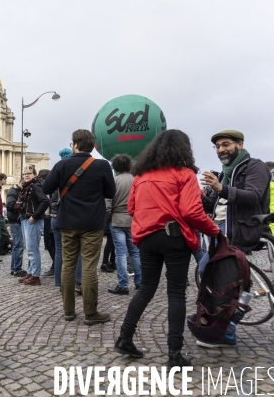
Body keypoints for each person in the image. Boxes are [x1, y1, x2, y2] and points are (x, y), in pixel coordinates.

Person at [113, 129, 219, 367]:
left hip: (146, 237)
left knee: (146, 289)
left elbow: (131, 208)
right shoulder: (184, 174)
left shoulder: (141, 176)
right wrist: (215, 231)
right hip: (174, 237)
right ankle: (174, 353)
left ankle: (124, 338)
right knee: (176, 293)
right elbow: (192, 211)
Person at [43, 130, 115, 325]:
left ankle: (68, 311)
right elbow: (110, 192)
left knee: (68, 265)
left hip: (67, 222)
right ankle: (90, 313)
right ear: (92, 146)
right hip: (93, 223)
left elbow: (46, 189)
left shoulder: (62, 165)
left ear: (74, 145)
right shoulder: (102, 165)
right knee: (89, 266)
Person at [200, 130, 271, 253]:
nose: (221, 149)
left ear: (240, 145)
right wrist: (194, 193)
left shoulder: (255, 166)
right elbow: (212, 205)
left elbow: (254, 196)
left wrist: (222, 188)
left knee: (224, 270)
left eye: (226, 144)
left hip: (239, 231)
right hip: (218, 229)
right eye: (217, 146)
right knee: (206, 269)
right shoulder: (225, 173)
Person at [46, 148, 84, 291]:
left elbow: (48, 194)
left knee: (59, 250)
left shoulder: (57, 172)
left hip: (55, 217)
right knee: (77, 249)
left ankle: (59, 282)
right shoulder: (74, 174)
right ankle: (77, 281)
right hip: (69, 217)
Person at [107, 154, 142, 295]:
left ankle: (123, 284)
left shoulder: (114, 181)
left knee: (120, 254)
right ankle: (140, 282)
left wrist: (107, 218)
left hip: (116, 220)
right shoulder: (136, 181)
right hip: (133, 220)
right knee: (135, 252)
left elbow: (108, 203)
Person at [18, 166, 49, 286]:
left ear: (34, 174)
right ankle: (31, 272)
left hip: (33, 220)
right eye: (25, 173)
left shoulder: (36, 185)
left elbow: (45, 201)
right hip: (26, 218)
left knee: (33, 249)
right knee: (29, 248)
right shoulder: (27, 186)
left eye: (29, 173)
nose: (26, 175)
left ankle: (35, 275)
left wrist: (35, 216)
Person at [6, 179, 26, 277]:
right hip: (15, 220)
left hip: (16, 220)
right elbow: (10, 205)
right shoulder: (13, 191)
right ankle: (17, 269)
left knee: (17, 245)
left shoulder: (16, 191)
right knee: (18, 245)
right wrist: (21, 207)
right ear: (22, 183)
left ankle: (14, 268)